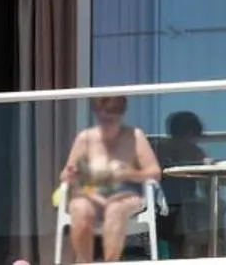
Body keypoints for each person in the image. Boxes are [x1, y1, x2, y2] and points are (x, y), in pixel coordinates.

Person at [61, 96, 162, 263]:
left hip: (126, 192)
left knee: (115, 208)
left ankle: (110, 263)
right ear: (97, 113)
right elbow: (66, 174)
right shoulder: (85, 138)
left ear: (122, 113)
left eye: (114, 111)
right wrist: (72, 174)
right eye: (104, 111)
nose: (108, 116)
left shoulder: (134, 136)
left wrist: (129, 173)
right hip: (91, 191)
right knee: (80, 208)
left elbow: (155, 172)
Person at [153, 111, 208, 259]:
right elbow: (207, 182)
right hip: (176, 207)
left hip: (160, 205)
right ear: (190, 133)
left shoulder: (158, 148)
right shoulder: (193, 151)